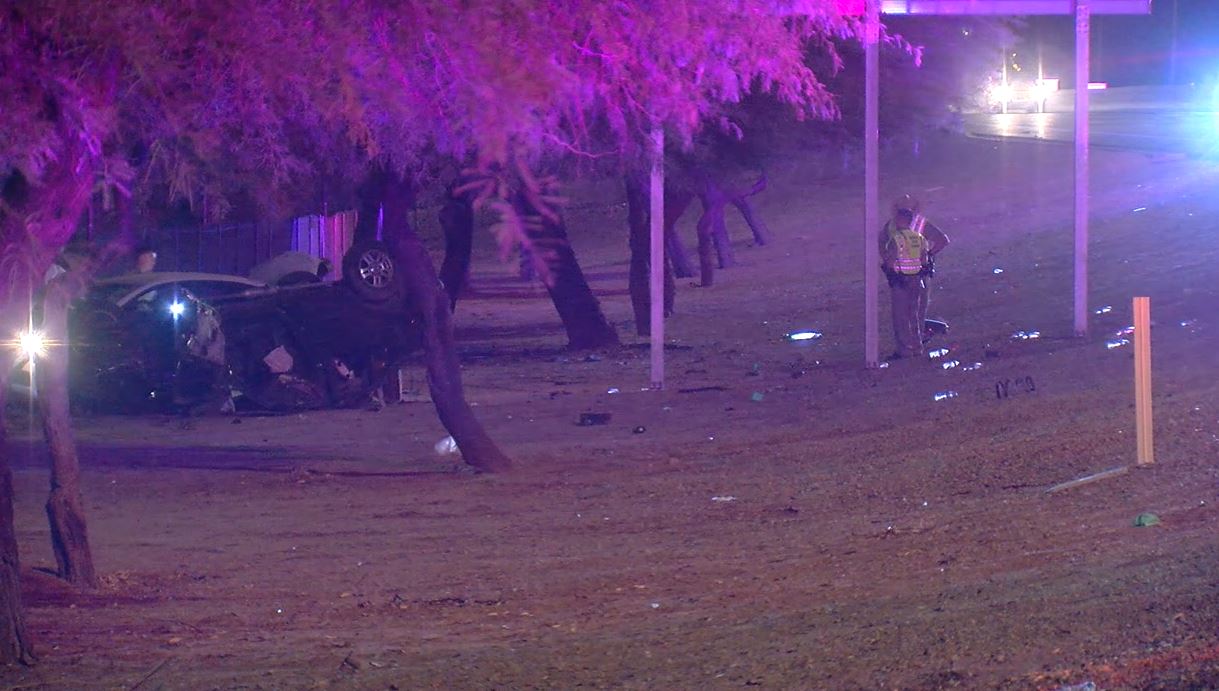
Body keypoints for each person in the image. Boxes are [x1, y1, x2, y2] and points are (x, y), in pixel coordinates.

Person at [880, 194, 949, 360]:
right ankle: (916, 348)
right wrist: (927, 259)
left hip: (900, 277)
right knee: (916, 314)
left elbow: (885, 252)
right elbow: (941, 241)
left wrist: (892, 268)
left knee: (901, 315)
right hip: (919, 276)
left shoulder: (891, 228)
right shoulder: (918, 227)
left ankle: (905, 350)